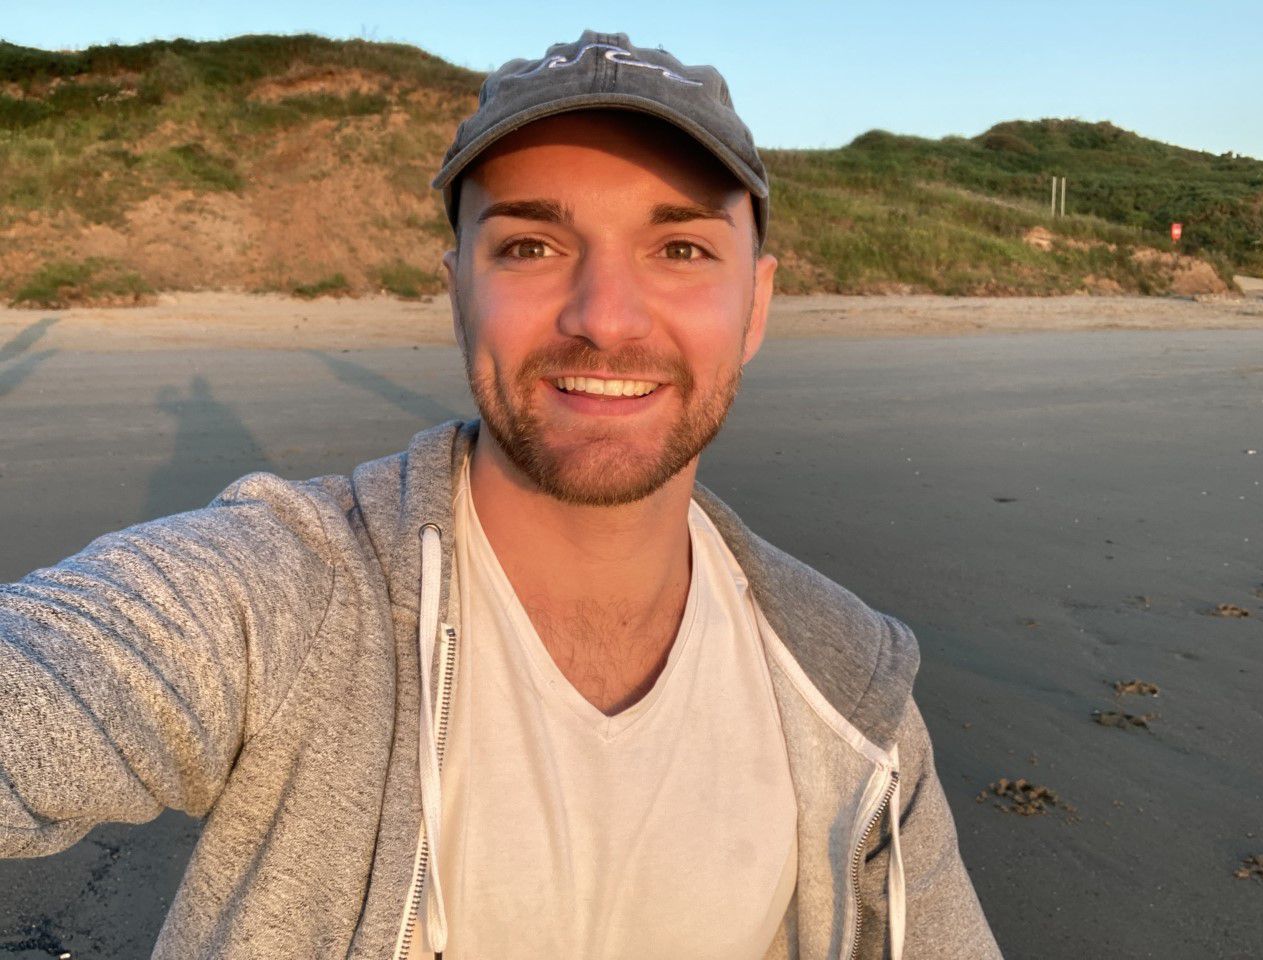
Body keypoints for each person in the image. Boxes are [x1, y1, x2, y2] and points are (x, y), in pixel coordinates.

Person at [0, 31, 1000, 960]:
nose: (605, 319)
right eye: (529, 245)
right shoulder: (288, 595)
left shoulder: (847, 686)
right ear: (457, 289)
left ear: (756, 305)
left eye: (680, 248)